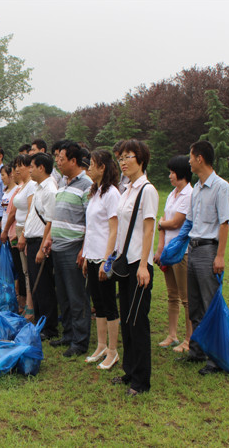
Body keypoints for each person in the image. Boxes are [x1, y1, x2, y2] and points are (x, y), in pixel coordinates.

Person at [178, 140, 229, 376]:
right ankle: (197, 351)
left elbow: (224, 223)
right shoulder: (197, 188)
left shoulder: (221, 187)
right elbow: (190, 221)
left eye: (190, 156)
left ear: (199, 158)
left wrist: (220, 256)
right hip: (193, 249)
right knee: (195, 304)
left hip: (209, 250)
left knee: (210, 305)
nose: (189, 161)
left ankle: (216, 360)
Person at [110, 139, 159, 396]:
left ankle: (141, 382)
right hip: (125, 263)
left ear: (141, 159)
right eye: (121, 157)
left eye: (128, 156)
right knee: (127, 321)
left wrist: (143, 265)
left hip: (139, 265)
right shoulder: (127, 189)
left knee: (138, 322)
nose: (123, 162)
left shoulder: (147, 190)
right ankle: (129, 371)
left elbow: (149, 229)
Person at [44, 141, 93, 357]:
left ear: (74, 161)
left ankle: (80, 342)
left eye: (61, 159)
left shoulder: (87, 185)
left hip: (74, 248)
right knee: (63, 295)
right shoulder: (63, 183)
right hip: (58, 247)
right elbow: (58, 215)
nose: (58, 162)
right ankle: (68, 334)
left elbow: (91, 221)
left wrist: (84, 249)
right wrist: (50, 238)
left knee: (77, 297)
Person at [82, 149, 121, 369]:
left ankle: (113, 351)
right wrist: (86, 256)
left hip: (104, 258)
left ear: (102, 167)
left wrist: (107, 261)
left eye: (92, 164)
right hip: (92, 255)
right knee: (98, 304)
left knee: (109, 304)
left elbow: (114, 229)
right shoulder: (96, 192)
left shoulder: (112, 194)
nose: (88, 168)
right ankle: (101, 346)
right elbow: (92, 228)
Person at [154, 155, 193, 353]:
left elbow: (177, 222)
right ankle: (172, 335)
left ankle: (189, 339)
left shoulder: (189, 195)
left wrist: (161, 223)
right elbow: (164, 222)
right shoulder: (172, 194)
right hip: (168, 251)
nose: (169, 176)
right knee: (172, 295)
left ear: (181, 173)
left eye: (172, 172)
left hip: (182, 252)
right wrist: (160, 248)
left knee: (186, 298)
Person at [22, 152, 59, 339]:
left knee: (44, 287)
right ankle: (39, 323)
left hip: (41, 242)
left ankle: (49, 328)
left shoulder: (50, 190)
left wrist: (42, 247)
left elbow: (51, 221)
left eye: (32, 166)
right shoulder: (38, 187)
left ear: (41, 168)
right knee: (36, 288)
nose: (29, 170)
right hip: (32, 241)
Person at [2, 154, 36, 321]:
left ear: (29, 167)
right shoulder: (22, 187)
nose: (16, 169)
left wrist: (22, 233)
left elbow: (30, 211)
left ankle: (31, 306)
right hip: (20, 229)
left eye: (20, 165)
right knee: (24, 271)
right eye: (15, 166)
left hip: (26, 231)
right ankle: (28, 304)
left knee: (28, 271)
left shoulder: (31, 186)